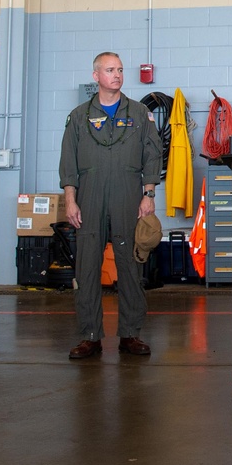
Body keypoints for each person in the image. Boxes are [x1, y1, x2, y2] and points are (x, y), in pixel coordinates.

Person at [59, 52, 163, 359]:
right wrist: (70, 199)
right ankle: (90, 335)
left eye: (119, 69)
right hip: (89, 196)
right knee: (87, 266)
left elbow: (152, 154)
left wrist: (149, 193)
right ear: (96, 77)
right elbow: (68, 161)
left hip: (127, 195)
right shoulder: (78, 116)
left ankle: (130, 333)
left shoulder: (141, 113)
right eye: (109, 70)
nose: (116, 75)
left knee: (130, 265)